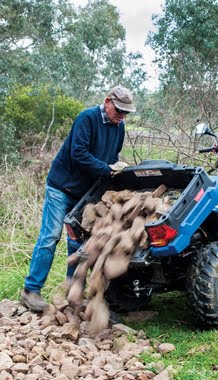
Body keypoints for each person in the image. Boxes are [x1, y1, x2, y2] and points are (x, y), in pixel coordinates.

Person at [21, 86, 136, 313]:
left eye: (126, 112)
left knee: (78, 241)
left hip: (85, 192)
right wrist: (106, 169)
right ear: (107, 102)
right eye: (119, 110)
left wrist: (114, 174)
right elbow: (79, 153)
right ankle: (31, 290)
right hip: (61, 186)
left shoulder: (119, 127)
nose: (122, 115)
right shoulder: (87, 118)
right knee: (50, 236)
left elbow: (112, 157)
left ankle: (73, 292)